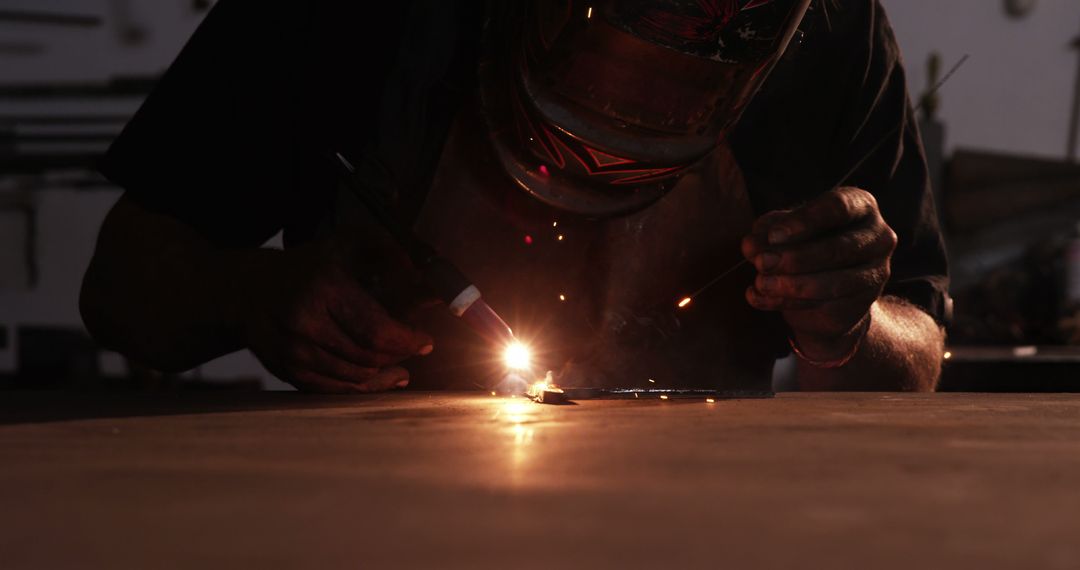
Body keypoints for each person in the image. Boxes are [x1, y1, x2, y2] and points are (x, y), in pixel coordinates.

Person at [80, 0, 950, 393]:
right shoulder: (346, 14)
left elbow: (920, 350)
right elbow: (118, 288)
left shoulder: (834, 29)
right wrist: (249, 295)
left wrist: (848, 329)